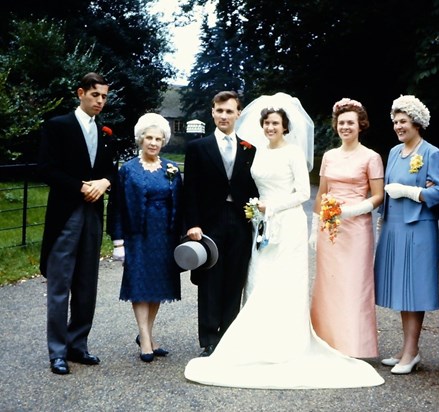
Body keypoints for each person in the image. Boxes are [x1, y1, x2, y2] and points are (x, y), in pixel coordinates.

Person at [184, 94, 384, 389]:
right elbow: (246, 185)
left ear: (286, 127)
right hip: (260, 225)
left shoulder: (293, 154)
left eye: (275, 123)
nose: (270, 127)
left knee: (283, 280)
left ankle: (284, 341)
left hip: (286, 223)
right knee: (257, 278)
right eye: (266, 123)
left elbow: (304, 193)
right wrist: (257, 211)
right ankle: (250, 338)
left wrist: (272, 208)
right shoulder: (255, 152)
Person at [38, 72, 113, 375]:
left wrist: (105, 182)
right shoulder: (58, 127)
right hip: (66, 214)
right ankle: (57, 351)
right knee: (60, 284)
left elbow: (112, 170)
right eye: (95, 95)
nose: (100, 101)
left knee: (87, 283)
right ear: (81, 93)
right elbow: (46, 169)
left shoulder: (106, 133)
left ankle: (77, 345)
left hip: (93, 215)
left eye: (104, 96)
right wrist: (81, 187)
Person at [373, 95, 439, 374]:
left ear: (417, 122)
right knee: (402, 288)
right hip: (395, 226)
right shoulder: (393, 152)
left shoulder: (431, 153)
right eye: (395, 121)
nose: (397, 126)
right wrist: (382, 221)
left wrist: (412, 192)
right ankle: (407, 349)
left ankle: (412, 351)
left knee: (414, 290)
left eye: (402, 121)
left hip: (419, 227)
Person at [182, 91, 259, 358]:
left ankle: (228, 335)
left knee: (234, 278)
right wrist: (193, 223)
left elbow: (253, 187)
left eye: (229, 111)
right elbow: (189, 188)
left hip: (240, 221)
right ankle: (209, 338)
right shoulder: (197, 148)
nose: (224, 115)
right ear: (212, 112)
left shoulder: (250, 149)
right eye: (219, 110)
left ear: (239, 113)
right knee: (210, 279)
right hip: (209, 223)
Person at [309, 97, 384, 359]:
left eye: (350, 122)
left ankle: (355, 346)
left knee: (354, 284)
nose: (345, 127)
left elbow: (378, 196)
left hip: (356, 228)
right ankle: (326, 340)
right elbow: (322, 192)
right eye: (341, 123)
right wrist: (314, 226)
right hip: (330, 228)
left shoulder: (371, 157)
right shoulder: (329, 156)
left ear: (360, 125)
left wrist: (352, 210)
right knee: (328, 284)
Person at [109, 113, 183, 362]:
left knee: (157, 285)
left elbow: (180, 204)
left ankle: (147, 335)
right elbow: (117, 206)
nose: (153, 142)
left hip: (165, 236)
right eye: (149, 138)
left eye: (158, 139)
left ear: (164, 142)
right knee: (140, 285)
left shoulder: (171, 168)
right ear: (141, 139)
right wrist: (118, 242)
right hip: (137, 235)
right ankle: (145, 338)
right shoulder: (127, 170)